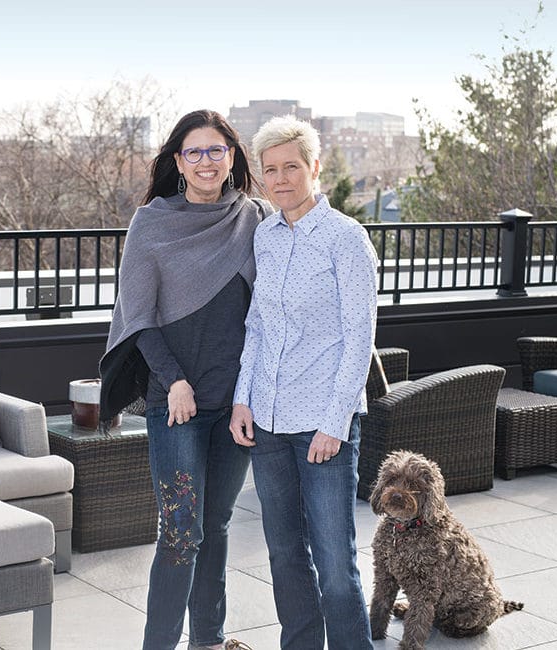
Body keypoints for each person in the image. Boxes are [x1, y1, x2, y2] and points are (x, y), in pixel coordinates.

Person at [99, 109, 267, 650]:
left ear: (233, 157)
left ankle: (210, 641)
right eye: (194, 152)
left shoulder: (255, 218)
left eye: (216, 150)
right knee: (179, 534)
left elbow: (274, 307)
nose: (206, 161)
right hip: (175, 405)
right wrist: (172, 380)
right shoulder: (152, 222)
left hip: (236, 404)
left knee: (214, 528)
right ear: (178, 161)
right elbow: (138, 315)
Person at [229, 115, 377, 650]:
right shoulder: (264, 237)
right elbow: (258, 327)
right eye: (271, 169)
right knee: (284, 553)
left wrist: (335, 423)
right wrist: (242, 398)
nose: (282, 178)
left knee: (336, 562)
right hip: (266, 423)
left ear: (315, 168)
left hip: (324, 428)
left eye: (292, 166)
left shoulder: (346, 239)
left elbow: (360, 340)